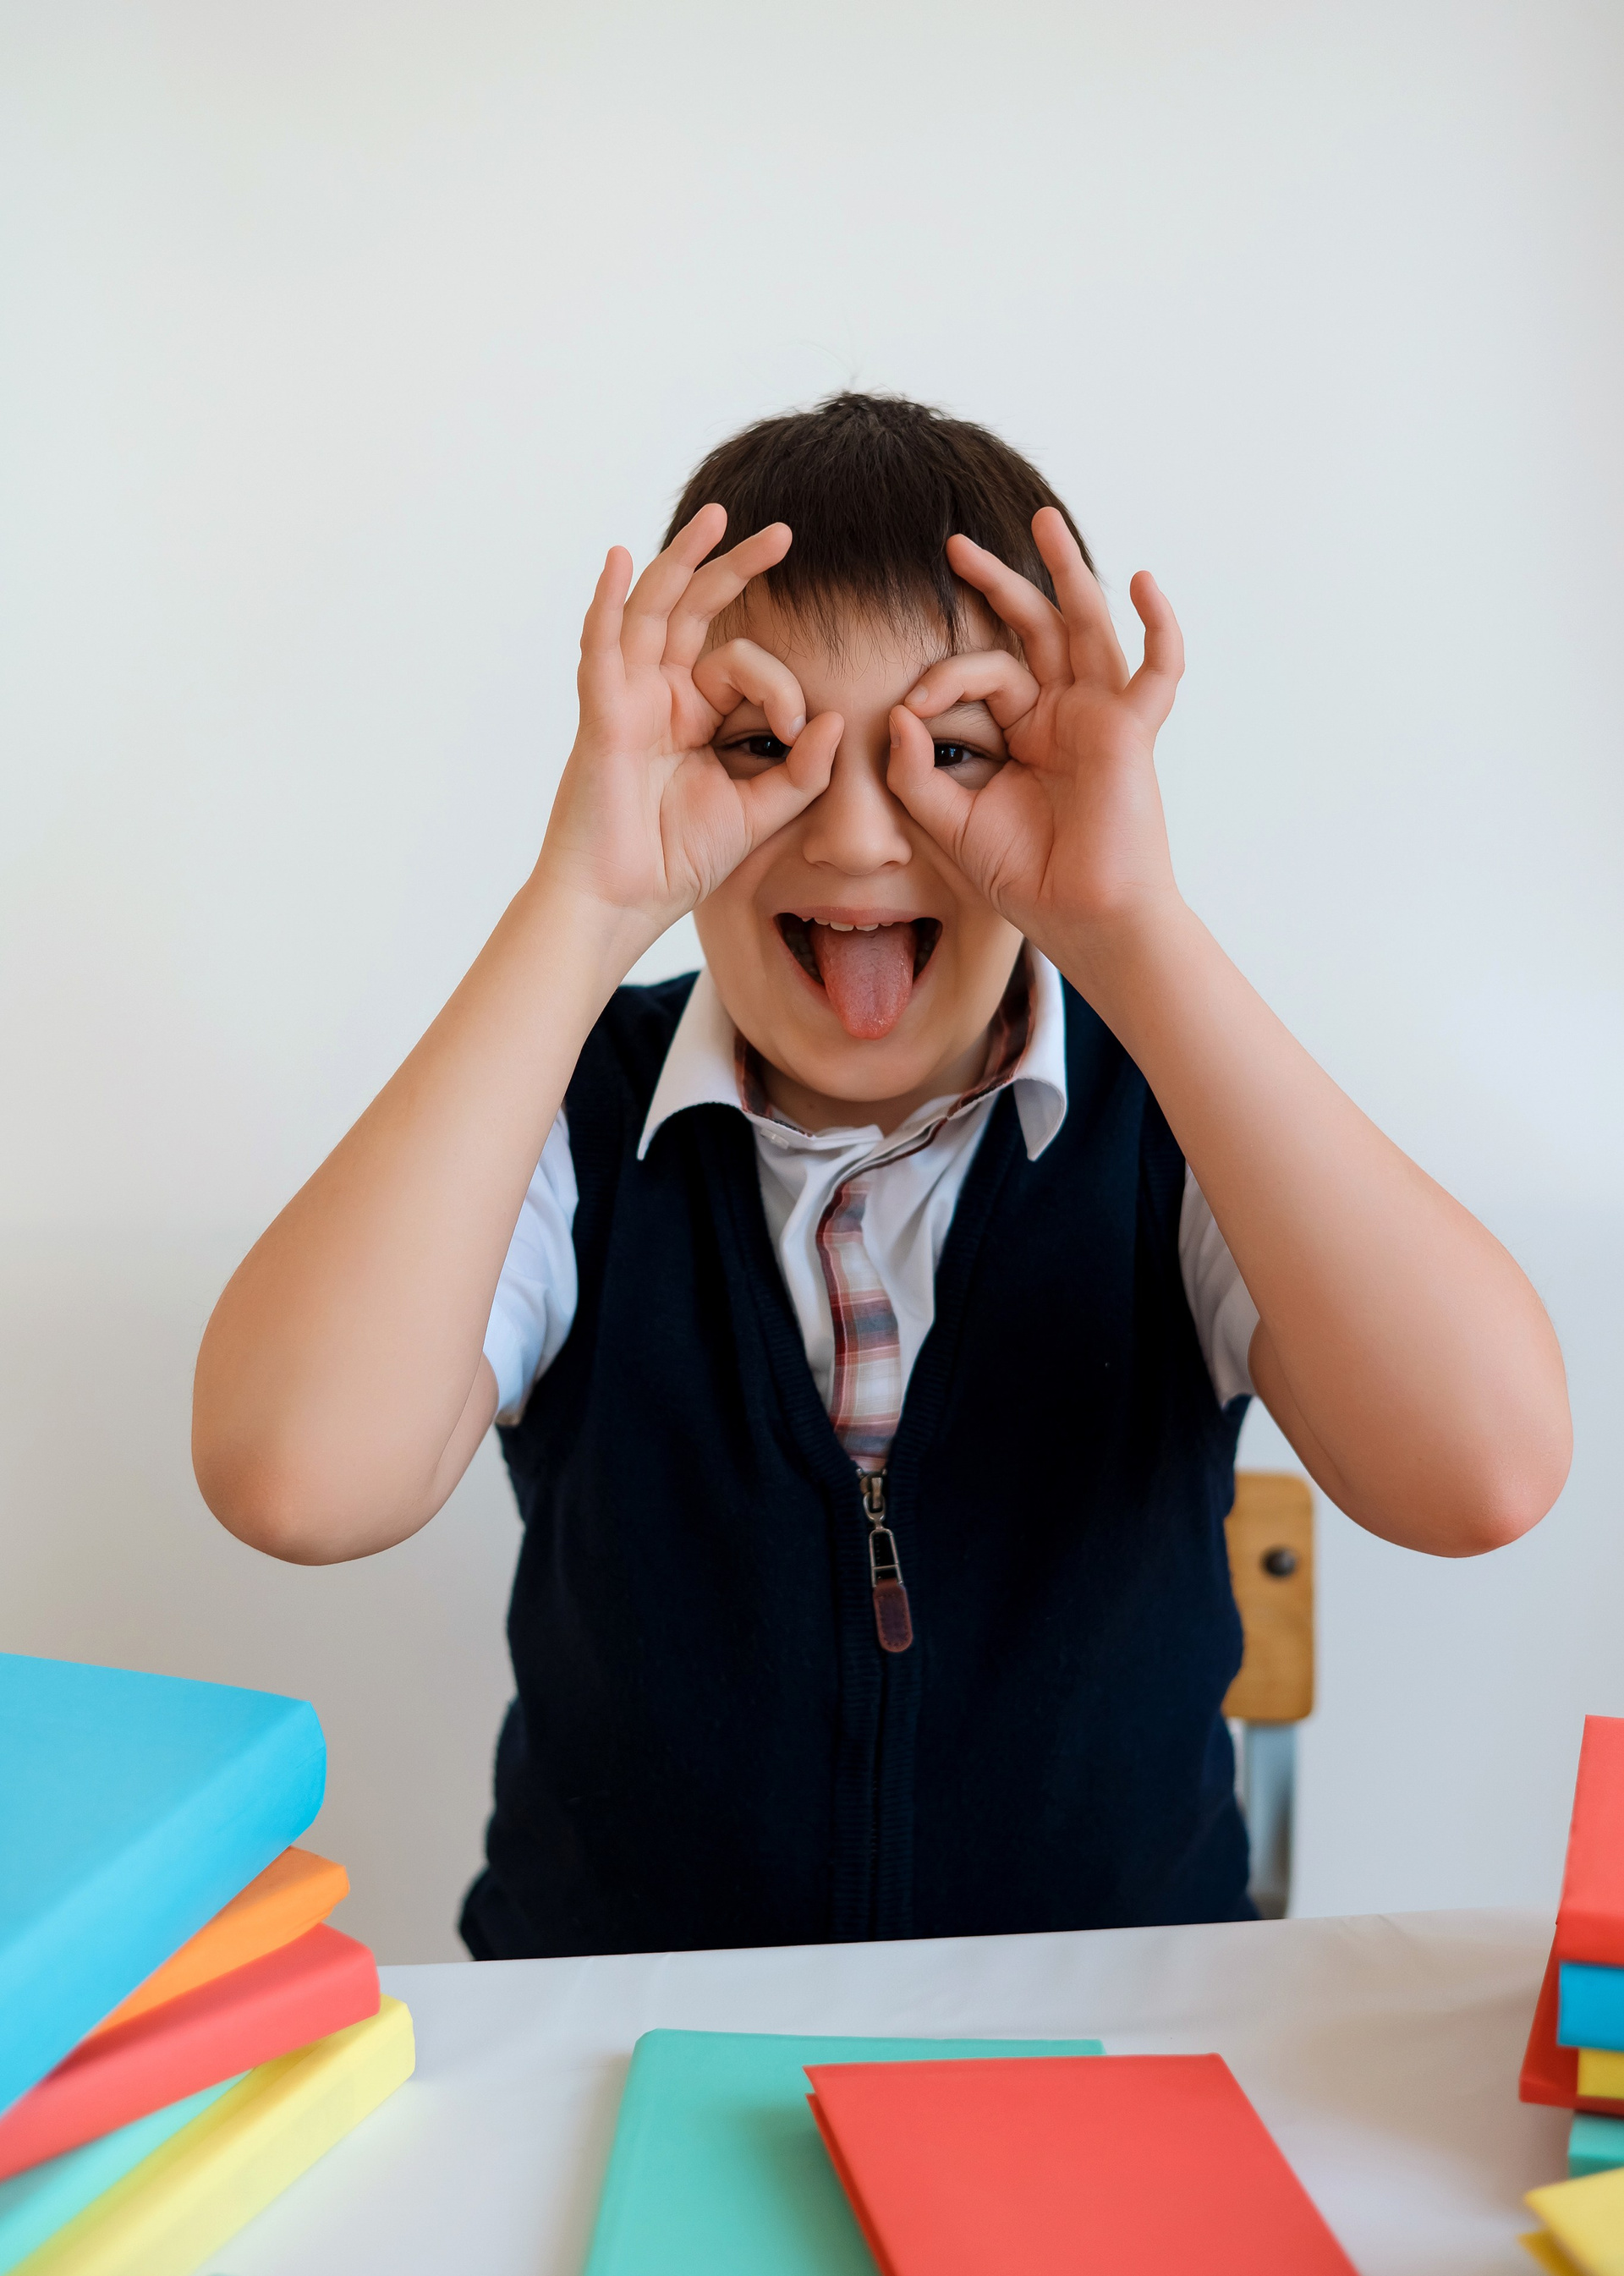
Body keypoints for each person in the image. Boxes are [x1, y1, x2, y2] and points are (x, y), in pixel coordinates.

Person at [193, 392, 1572, 1959]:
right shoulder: (555, 1113)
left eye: (952, 753)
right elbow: (295, 1480)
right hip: (612, 2030)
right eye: (759, 748)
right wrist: (582, 901)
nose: (855, 840)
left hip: (1112, 2024)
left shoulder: (1179, 1118)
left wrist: (1133, 929)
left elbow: (1483, 1472)